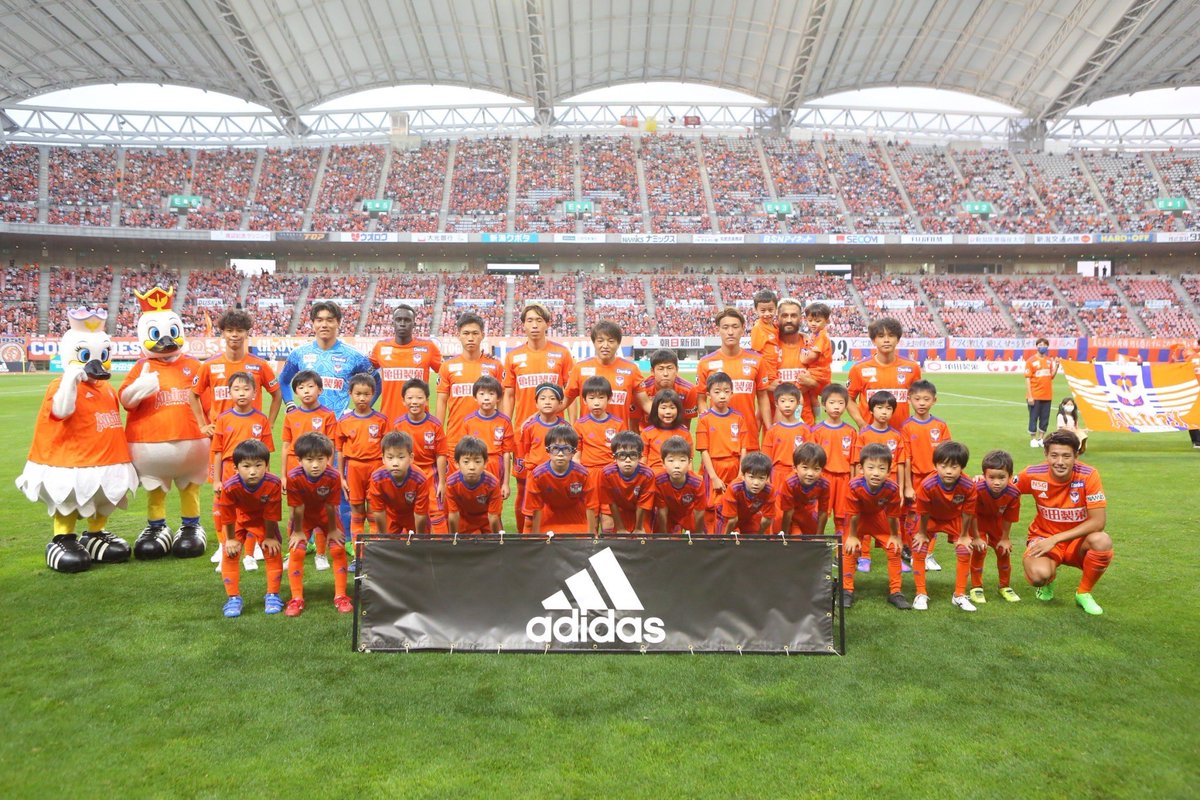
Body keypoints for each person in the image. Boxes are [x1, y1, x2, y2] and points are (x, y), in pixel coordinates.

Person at [278, 301, 376, 545]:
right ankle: (307, 540)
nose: (324, 324)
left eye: (330, 320)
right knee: (306, 487)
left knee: (340, 487)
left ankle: (346, 539)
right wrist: (290, 404)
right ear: (312, 323)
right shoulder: (300, 354)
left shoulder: (353, 356)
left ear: (338, 323)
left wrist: (361, 408)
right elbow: (283, 381)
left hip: (339, 432)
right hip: (307, 437)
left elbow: (375, 380)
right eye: (319, 320)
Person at [189, 307, 281, 563]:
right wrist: (202, 424)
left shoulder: (259, 365)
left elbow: (276, 395)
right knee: (221, 495)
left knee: (256, 493)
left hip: (253, 447)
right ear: (223, 333)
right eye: (229, 330)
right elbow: (193, 395)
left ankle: (255, 542)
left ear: (247, 333)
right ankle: (223, 543)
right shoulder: (210, 365)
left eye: (240, 330)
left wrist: (270, 423)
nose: (234, 335)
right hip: (223, 445)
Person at [1015, 430, 1113, 615]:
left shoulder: (1088, 475)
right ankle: (1047, 581)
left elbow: (1098, 522)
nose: (1060, 462)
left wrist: (1056, 539)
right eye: (1054, 455)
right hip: (1043, 537)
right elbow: (1003, 485)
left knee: (1102, 541)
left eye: (1066, 456)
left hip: (1077, 542)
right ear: (1046, 454)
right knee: (1039, 576)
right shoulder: (1033, 474)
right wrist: (980, 480)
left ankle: (1083, 593)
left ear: (1076, 456)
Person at [502, 303, 574, 533]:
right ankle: (524, 537)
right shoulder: (513, 356)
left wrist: (571, 426)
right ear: (523, 325)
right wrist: (507, 426)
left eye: (539, 320)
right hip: (524, 434)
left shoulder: (562, 354)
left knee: (558, 484)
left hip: (556, 434)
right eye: (530, 320)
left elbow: (571, 392)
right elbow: (509, 394)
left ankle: (554, 530)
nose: (534, 325)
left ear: (547, 324)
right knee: (524, 487)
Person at [210, 372, 276, 572]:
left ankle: (249, 555)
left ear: (255, 393)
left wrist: (266, 478)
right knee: (228, 512)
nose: (241, 393)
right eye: (237, 389)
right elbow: (217, 451)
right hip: (229, 471)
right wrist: (216, 480)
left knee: (251, 512)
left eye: (246, 389)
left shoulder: (261, 419)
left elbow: (266, 454)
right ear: (229, 392)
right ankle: (226, 551)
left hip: (254, 473)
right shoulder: (223, 419)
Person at [284, 432, 349, 616]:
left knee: (338, 549)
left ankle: (341, 596)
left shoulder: (333, 475)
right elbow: (297, 507)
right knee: (297, 551)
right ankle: (296, 598)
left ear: (328, 458)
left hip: (326, 515)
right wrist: (297, 531)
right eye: (309, 459)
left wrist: (333, 530)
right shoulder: (293, 476)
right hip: (303, 517)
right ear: (299, 460)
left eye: (320, 459)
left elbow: (331, 505)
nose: (315, 465)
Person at [216, 439, 283, 618]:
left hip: (263, 520)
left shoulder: (274, 483)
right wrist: (230, 539)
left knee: (273, 550)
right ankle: (233, 598)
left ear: (267, 465)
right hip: (239, 519)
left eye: (258, 465)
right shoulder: (230, 486)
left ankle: (273, 595)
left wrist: (270, 537)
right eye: (246, 466)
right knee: (230, 553)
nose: (253, 471)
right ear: (236, 468)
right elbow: (228, 515)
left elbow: (272, 513)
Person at [912, 441, 980, 612]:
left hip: (954, 519)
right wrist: (922, 533)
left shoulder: (968, 485)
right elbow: (923, 512)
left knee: (964, 550)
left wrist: (964, 535)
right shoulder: (927, 485)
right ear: (935, 465)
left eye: (954, 467)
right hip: (931, 518)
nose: (949, 471)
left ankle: (959, 595)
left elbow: (968, 512)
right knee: (919, 548)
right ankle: (920, 593)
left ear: (962, 467)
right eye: (943, 466)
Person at [841, 443, 910, 610]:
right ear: (861, 469)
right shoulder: (853, 485)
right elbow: (853, 514)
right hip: (858, 519)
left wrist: (894, 536)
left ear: (889, 471)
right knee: (849, 550)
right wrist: (852, 536)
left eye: (881, 468)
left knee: (894, 549)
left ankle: (896, 592)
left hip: (879, 518)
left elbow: (893, 515)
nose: (876, 473)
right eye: (871, 467)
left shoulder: (892, 488)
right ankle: (846, 590)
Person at [696, 308, 772, 449]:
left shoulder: (757, 360)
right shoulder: (705, 363)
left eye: (735, 327)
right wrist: (707, 421)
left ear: (742, 329)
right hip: (718, 436)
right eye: (725, 327)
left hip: (749, 436)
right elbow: (701, 399)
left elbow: (763, 397)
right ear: (718, 330)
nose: (730, 332)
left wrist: (769, 428)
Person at [850, 391, 909, 572]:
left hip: (890, 486)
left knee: (891, 518)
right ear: (871, 410)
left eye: (888, 408)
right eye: (880, 408)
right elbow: (856, 462)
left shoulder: (896, 436)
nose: (884, 412)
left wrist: (902, 488)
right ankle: (864, 557)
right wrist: (855, 485)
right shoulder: (864, 435)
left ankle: (895, 555)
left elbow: (900, 463)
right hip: (867, 486)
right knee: (866, 516)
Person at [900, 379, 951, 572]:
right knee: (913, 516)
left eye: (926, 399)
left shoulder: (940, 425)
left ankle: (928, 554)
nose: (921, 403)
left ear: (934, 400)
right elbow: (905, 458)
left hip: (936, 480)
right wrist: (907, 486)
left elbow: (947, 455)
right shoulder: (907, 426)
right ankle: (914, 552)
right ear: (909, 399)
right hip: (916, 480)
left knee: (932, 516)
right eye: (917, 399)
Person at [436, 312, 504, 452]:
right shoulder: (447, 366)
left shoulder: (495, 366)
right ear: (458, 335)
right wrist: (438, 434)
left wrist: (503, 429)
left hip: (488, 439)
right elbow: (441, 401)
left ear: (482, 335)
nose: (471, 338)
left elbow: (501, 401)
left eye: (475, 333)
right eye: (466, 333)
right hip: (456, 439)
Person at [336, 373, 388, 554]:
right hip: (354, 469)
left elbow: (387, 450)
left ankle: (373, 553)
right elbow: (340, 450)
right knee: (357, 512)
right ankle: (358, 555)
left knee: (374, 512)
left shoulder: (381, 420)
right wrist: (341, 476)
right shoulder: (344, 421)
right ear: (350, 393)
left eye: (366, 394)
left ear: (373, 393)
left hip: (376, 468)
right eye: (358, 394)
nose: (362, 398)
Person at [390, 378, 449, 534]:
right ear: (403, 401)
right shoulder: (398, 425)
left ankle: (443, 546)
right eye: (410, 398)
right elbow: (393, 454)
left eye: (419, 398)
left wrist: (442, 482)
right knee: (407, 510)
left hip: (430, 474)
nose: (414, 402)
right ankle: (411, 544)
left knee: (436, 511)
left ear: (427, 400)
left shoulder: (435, 425)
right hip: (407, 474)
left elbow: (441, 454)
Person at [564, 320, 645, 428]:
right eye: (600, 341)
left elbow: (646, 404)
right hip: (588, 436)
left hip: (619, 436)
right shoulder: (579, 368)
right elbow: (564, 401)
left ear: (618, 343)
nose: (605, 345)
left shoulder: (631, 369)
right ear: (594, 343)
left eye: (611, 341)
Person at [369, 303, 442, 422]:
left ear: (414, 323)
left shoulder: (428, 347)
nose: (402, 323)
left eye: (407, 320)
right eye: (398, 320)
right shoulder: (380, 347)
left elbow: (446, 372)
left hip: (418, 422)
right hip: (388, 421)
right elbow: (364, 371)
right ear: (393, 322)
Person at [694, 371, 748, 532]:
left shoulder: (738, 418)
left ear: (732, 393)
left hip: (735, 467)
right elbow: (704, 451)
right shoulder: (705, 419)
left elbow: (743, 448)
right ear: (708, 394)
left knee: (733, 505)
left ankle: (731, 536)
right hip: (714, 467)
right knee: (711, 506)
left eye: (726, 391)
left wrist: (741, 473)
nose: (722, 396)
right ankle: (711, 538)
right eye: (717, 392)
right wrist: (714, 477)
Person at [846, 317, 922, 429]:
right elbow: (848, 398)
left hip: (901, 434)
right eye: (881, 336)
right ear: (873, 340)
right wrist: (861, 423)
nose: (886, 340)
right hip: (871, 434)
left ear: (898, 339)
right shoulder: (859, 368)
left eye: (891, 335)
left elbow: (919, 398)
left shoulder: (912, 368)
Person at [524, 424, 597, 536]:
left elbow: (590, 506)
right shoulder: (537, 476)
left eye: (566, 449)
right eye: (555, 449)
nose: (560, 454)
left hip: (577, 518)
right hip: (547, 516)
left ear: (574, 452)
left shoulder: (583, 474)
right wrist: (535, 537)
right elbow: (534, 509)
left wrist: (591, 535)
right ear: (547, 450)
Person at [972, 449, 1022, 604]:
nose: (997, 482)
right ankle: (976, 587)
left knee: (1003, 551)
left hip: (997, 523)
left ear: (1010, 476)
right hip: (978, 522)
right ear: (984, 475)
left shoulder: (1014, 493)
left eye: (1002, 477)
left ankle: (1004, 586)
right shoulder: (977, 489)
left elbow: (1009, 517)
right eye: (991, 477)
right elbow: (971, 513)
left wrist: (1005, 538)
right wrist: (975, 537)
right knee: (980, 550)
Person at [809, 383, 857, 544]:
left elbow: (854, 461)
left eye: (840, 403)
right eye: (832, 402)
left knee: (842, 516)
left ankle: (842, 549)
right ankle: (816, 543)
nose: (836, 407)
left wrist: (853, 481)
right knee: (819, 513)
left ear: (846, 405)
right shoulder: (817, 431)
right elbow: (812, 459)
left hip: (844, 479)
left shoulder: (851, 431)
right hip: (823, 479)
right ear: (824, 404)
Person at [367, 431, 430, 536]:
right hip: (391, 514)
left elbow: (420, 513)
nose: (395, 463)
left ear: (411, 458)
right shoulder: (377, 478)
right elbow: (378, 510)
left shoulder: (420, 479)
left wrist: (419, 538)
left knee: (418, 542)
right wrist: (383, 536)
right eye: (390, 458)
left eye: (401, 457)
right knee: (387, 543)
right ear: (383, 459)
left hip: (412, 515)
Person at [760, 382, 811, 507]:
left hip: (798, 474)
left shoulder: (805, 430)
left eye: (791, 401)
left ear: (798, 403)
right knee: (778, 510)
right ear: (776, 404)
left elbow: (810, 457)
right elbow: (766, 458)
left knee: (798, 509)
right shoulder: (772, 431)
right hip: (777, 474)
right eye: (783, 401)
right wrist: (766, 479)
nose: (787, 405)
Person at [598, 431, 656, 534]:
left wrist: (638, 528)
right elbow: (611, 502)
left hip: (641, 513)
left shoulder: (648, 475)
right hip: (620, 511)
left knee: (642, 537)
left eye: (633, 455)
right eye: (622, 455)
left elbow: (643, 505)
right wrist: (620, 528)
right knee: (618, 537)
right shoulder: (606, 473)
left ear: (640, 456)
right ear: (614, 457)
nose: (628, 460)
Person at [281, 370, 338, 477]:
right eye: (301, 388)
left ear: (320, 390)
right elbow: (286, 446)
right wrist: (283, 476)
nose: (306, 391)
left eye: (310, 386)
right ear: (296, 393)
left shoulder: (328, 415)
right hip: (294, 465)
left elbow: (331, 446)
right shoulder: (291, 416)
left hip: (317, 463)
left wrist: (328, 471)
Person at [462, 374, 514, 489]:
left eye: (491, 394)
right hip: (475, 464)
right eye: (482, 394)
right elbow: (464, 452)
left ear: (498, 398)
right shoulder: (468, 421)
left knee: (494, 498)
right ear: (475, 397)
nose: (486, 398)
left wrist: (506, 483)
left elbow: (506, 454)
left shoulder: (505, 422)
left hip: (496, 466)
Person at [572, 375, 620, 500]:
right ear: (584, 400)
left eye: (601, 397)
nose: (596, 402)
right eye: (592, 398)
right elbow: (576, 456)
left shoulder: (619, 424)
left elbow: (621, 454)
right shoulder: (580, 425)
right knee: (590, 510)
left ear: (609, 398)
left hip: (610, 473)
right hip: (589, 473)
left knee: (608, 511)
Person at [444, 436, 504, 535]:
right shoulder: (451, 483)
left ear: (485, 463)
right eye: (466, 462)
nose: (472, 467)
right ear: (457, 463)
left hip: (486, 520)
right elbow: (453, 514)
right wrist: (453, 538)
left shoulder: (492, 483)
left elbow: (493, 517)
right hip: (464, 520)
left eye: (477, 461)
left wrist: (495, 539)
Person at [518, 382, 567, 492]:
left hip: (557, 474)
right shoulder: (529, 427)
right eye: (543, 398)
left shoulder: (565, 428)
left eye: (552, 399)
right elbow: (525, 450)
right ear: (536, 403)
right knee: (533, 502)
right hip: (534, 474)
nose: (547, 402)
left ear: (560, 403)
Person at [636, 349, 700, 431]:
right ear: (652, 371)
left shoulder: (688, 390)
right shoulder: (641, 389)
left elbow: (686, 424)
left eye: (669, 368)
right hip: (646, 435)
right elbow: (634, 421)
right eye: (660, 369)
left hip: (674, 436)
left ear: (676, 370)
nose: (665, 374)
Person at [653, 436, 706, 535]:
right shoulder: (659, 481)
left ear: (689, 462)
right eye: (671, 460)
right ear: (663, 463)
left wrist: (698, 533)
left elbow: (699, 511)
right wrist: (664, 535)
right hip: (669, 515)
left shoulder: (697, 482)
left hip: (689, 514)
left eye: (682, 460)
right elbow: (662, 510)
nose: (676, 466)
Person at [717, 452, 776, 536]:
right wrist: (725, 539)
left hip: (748, 516)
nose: (756, 483)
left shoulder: (769, 490)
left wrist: (759, 537)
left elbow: (767, 519)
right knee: (722, 540)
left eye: (761, 478)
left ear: (767, 478)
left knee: (752, 540)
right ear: (743, 476)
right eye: (751, 477)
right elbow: (732, 520)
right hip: (726, 516)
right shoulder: (734, 488)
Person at [778, 442, 831, 537]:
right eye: (805, 468)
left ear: (822, 470)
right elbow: (788, 511)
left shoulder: (824, 484)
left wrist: (819, 536)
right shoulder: (789, 483)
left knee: (811, 533)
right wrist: (784, 534)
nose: (810, 473)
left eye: (816, 469)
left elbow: (823, 511)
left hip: (806, 508)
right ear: (795, 468)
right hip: (785, 509)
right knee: (779, 526)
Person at [641, 389, 692, 471]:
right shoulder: (646, 433)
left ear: (678, 410)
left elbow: (689, 461)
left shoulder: (685, 433)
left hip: (677, 474)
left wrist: (689, 477)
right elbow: (642, 460)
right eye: (663, 408)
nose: (668, 412)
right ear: (655, 410)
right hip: (654, 474)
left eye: (672, 408)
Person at [1025, 337, 1058, 447]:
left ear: (1047, 347)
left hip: (1047, 395)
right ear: (1036, 346)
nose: (1042, 347)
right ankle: (1033, 439)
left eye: (1044, 345)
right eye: (1040, 345)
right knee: (1033, 417)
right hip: (1035, 395)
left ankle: (1041, 438)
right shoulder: (1031, 361)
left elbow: (1051, 376)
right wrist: (1030, 396)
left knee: (1045, 418)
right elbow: (1027, 379)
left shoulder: (1049, 361)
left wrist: (1057, 366)